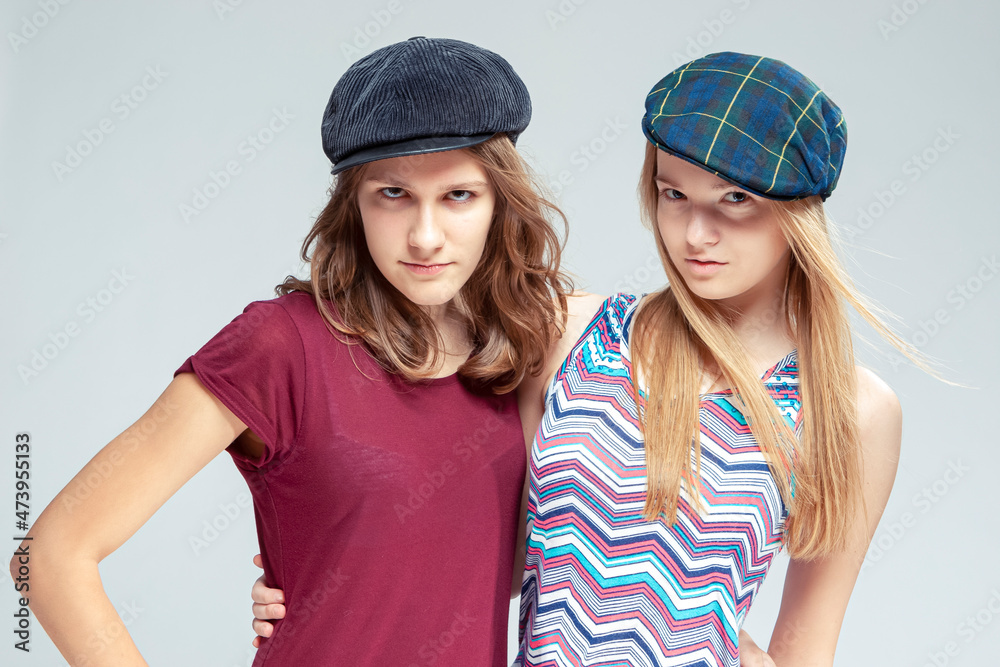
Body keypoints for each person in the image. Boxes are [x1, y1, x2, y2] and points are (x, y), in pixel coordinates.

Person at [251, 52, 912, 666]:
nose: (694, 233)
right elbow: (482, 552)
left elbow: (806, 645)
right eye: (673, 193)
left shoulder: (851, 410)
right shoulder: (569, 332)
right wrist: (322, 579)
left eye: (734, 200)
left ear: (797, 213)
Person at [12, 36, 575, 666]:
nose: (424, 236)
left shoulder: (522, 355)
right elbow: (50, 556)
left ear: (502, 203)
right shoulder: (282, 346)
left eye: (458, 196)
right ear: (353, 203)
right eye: (393, 194)